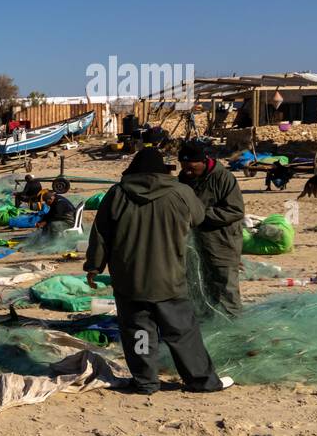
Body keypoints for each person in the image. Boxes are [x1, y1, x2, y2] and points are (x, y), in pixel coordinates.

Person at [84, 148, 231, 395]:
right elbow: (198, 217)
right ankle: (201, 380)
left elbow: (100, 234)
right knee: (182, 333)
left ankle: (146, 381)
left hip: (130, 280)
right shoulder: (181, 192)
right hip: (169, 278)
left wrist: (94, 266)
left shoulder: (117, 194)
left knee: (138, 332)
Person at [177, 139, 245, 318]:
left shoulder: (223, 178)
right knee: (199, 285)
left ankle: (232, 326)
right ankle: (205, 323)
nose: (187, 170)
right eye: (183, 165)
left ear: (203, 161)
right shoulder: (184, 178)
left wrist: (200, 215)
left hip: (222, 242)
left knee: (225, 287)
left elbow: (235, 210)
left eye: (191, 166)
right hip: (195, 243)